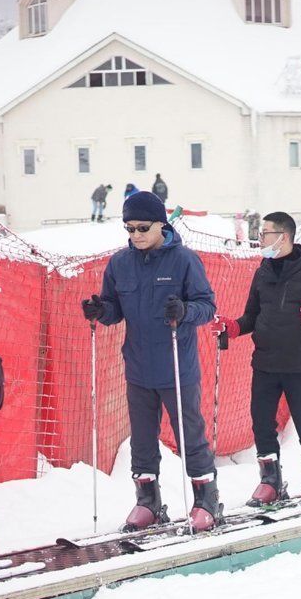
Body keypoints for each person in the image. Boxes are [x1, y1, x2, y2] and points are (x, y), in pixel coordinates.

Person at [82, 190, 220, 531]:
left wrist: (185, 311)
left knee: (190, 435)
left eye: (143, 228)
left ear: (162, 224)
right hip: (139, 368)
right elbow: (114, 309)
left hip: (176, 367)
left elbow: (207, 306)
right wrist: (101, 311)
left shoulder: (184, 260)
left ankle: (207, 500)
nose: (136, 235)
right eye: (129, 229)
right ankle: (148, 501)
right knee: (141, 439)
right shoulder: (119, 264)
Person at [212, 212, 301, 505]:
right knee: (261, 422)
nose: (261, 239)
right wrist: (233, 327)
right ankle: (271, 480)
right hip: (265, 363)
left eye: (265, 233)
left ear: (283, 237)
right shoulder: (263, 272)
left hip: (299, 363)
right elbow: (252, 316)